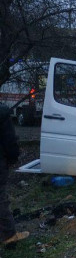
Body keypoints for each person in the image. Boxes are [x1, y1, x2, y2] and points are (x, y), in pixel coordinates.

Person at [1, 105, 28, 246]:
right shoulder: (2, 112)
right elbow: (9, 140)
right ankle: (9, 235)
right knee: (1, 200)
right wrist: (13, 158)